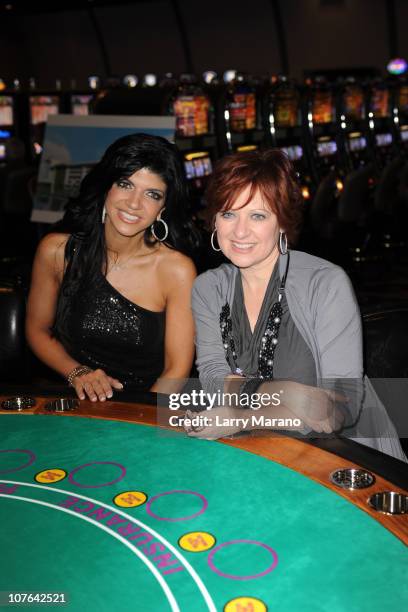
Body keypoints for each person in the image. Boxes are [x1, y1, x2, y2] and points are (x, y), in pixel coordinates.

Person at [190, 149, 406, 461]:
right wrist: (288, 393)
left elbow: (339, 411)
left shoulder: (326, 283)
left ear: (282, 223)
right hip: (255, 451)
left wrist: (243, 416)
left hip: (342, 459)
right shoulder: (207, 288)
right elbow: (212, 380)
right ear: (213, 221)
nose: (239, 231)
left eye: (258, 215)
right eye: (228, 214)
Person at [26, 133, 197, 400]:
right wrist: (77, 373)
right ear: (107, 187)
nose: (134, 203)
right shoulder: (57, 251)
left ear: (162, 208)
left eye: (152, 194)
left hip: (146, 406)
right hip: (73, 401)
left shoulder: (176, 270)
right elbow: (37, 330)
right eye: (125, 184)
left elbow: (176, 371)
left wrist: (139, 421)